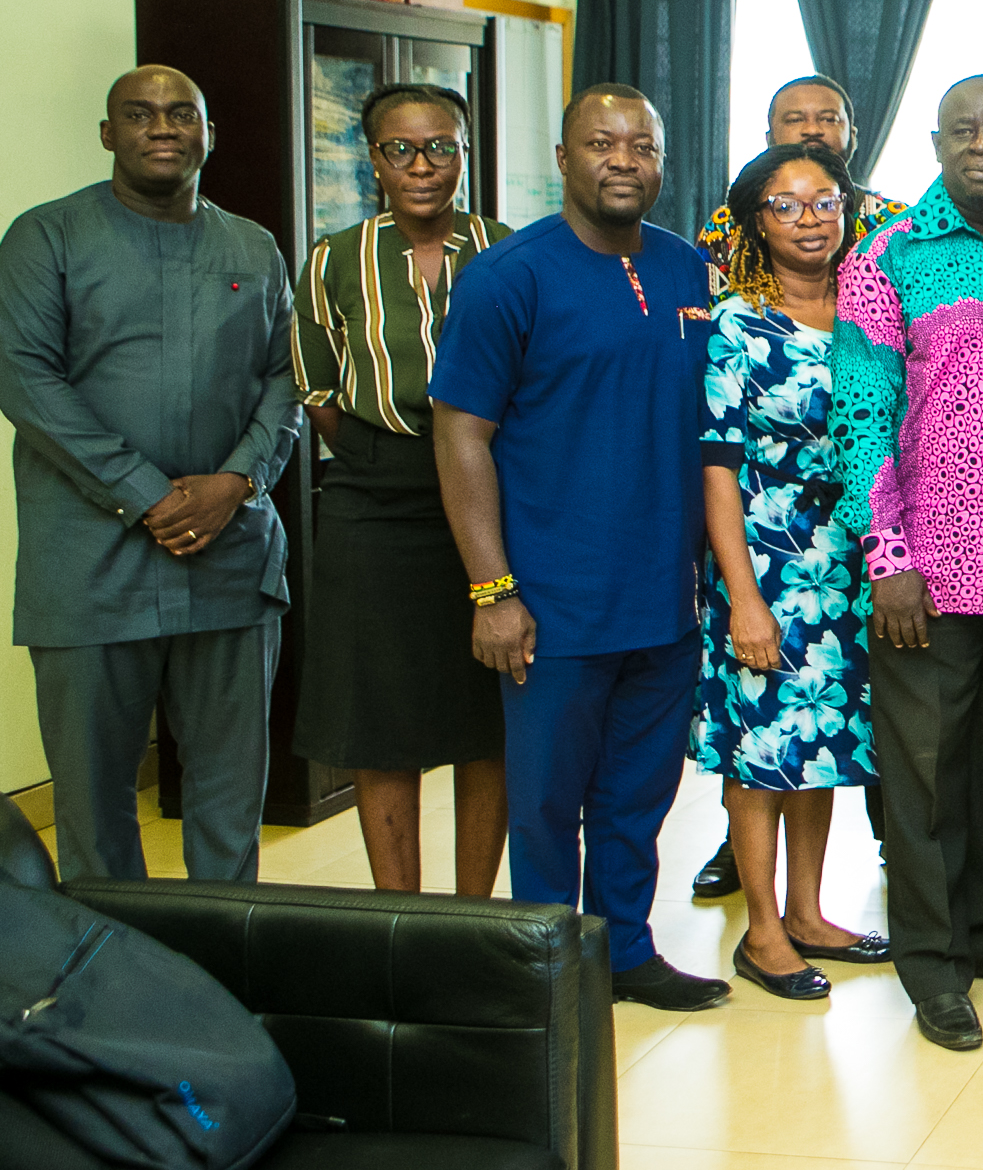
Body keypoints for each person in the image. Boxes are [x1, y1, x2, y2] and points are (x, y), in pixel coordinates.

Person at [429, 82, 727, 1012]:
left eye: (642, 144)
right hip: (552, 601)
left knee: (638, 798)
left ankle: (625, 951)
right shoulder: (508, 278)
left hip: (665, 597)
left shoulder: (688, 270)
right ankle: (547, 969)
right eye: (602, 142)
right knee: (548, 804)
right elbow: (460, 433)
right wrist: (492, 589)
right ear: (564, 158)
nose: (624, 159)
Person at [0, 65, 298, 882]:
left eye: (181, 114)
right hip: (92, 571)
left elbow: (286, 379)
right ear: (107, 134)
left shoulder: (253, 247)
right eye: (139, 114)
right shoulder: (46, 238)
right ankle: (114, 964)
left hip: (231, 562)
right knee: (95, 810)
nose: (162, 127)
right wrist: (146, 493)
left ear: (209, 134)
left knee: (231, 806)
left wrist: (237, 481)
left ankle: (223, 959)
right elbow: (26, 380)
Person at [832, 74, 983, 1052]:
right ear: (935, 142)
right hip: (925, 571)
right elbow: (861, 413)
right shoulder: (885, 256)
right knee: (925, 777)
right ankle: (932, 964)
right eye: (964, 129)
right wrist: (886, 554)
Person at [290, 84, 511, 895]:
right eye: (401, 149)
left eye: (441, 147)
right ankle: (402, 919)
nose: (422, 165)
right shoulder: (333, 258)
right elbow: (318, 390)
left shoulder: (505, 250)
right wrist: (387, 456)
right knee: (379, 716)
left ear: (465, 154)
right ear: (374, 160)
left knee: (488, 714)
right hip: (374, 500)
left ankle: (471, 916)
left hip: (492, 491)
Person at [691, 145, 886, 1001]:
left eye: (825, 200)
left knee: (823, 739)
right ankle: (763, 930)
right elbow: (717, 471)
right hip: (766, 559)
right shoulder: (737, 324)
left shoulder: (871, 312)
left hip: (851, 562)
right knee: (762, 746)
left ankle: (808, 912)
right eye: (786, 204)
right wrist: (742, 598)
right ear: (755, 222)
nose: (810, 218)